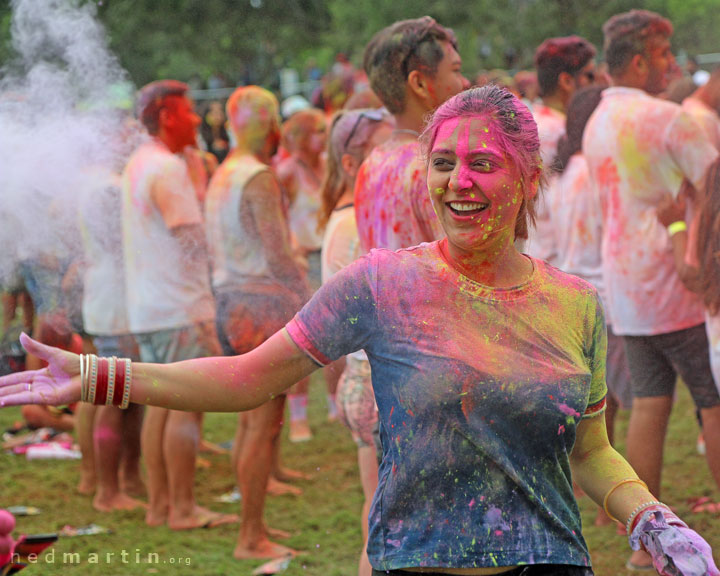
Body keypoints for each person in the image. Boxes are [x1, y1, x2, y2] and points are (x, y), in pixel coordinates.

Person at [3, 85, 718, 576]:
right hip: (416, 562)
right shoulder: (382, 283)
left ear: (529, 180)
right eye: (443, 164)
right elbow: (246, 378)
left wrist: (650, 517)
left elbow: (591, 453)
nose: (458, 182)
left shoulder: (575, 304)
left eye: (483, 164)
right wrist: (98, 376)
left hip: (550, 561)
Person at [583, 10, 720, 571]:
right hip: (679, 282)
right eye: (664, 54)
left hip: (628, 290)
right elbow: (713, 189)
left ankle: (644, 546)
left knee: (648, 404)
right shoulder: (667, 118)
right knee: (712, 401)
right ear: (639, 60)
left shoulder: (595, 122)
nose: (672, 64)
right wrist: (698, 258)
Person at [121, 80, 236, 530]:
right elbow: (190, 238)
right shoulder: (167, 168)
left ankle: (160, 507)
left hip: (149, 307)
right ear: (167, 115)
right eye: (188, 112)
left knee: (159, 406)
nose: (197, 120)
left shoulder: (139, 162)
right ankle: (183, 509)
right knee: (185, 405)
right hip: (179, 308)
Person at [204, 85, 310, 559]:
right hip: (260, 302)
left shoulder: (224, 171)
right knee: (261, 423)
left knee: (251, 422)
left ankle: (253, 527)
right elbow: (277, 255)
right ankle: (251, 536)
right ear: (269, 124)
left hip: (229, 299)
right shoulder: (258, 177)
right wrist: (306, 290)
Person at [547, 86, 633, 526]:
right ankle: (612, 506)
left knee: (598, 407)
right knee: (616, 402)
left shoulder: (567, 171)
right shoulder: (592, 171)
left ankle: (591, 496)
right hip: (598, 296)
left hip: (575, 292)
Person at [318, 107, 393, 576]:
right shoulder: (355, 224)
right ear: (350, 164)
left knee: (379, 519)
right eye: (382, 153)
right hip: (374, 381)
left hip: (362, 378)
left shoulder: (350, 218)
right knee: (384, 526)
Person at [354, 16, 469, 254]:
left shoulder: (370, 164)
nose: (465, 82)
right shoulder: (430, 166)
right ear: (419, 83)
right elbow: (466, 266)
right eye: (456, 70)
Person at [276, 107, 333, 440]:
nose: (322, 138)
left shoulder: (326, 166)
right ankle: (298, 418)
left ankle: (334, 405)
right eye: (317, 131)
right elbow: (277, 219)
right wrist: (291, 253)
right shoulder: (286, 172)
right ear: (298, 137)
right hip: (303, 261)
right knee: (303, 339)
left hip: (327, 255)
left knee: (336, 335)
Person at [525, 36, 596, 264]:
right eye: (589, 76)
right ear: (566, 81)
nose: (596, 83)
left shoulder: (530, 122)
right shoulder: (560, 130)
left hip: (534, 252)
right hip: (560, 260)